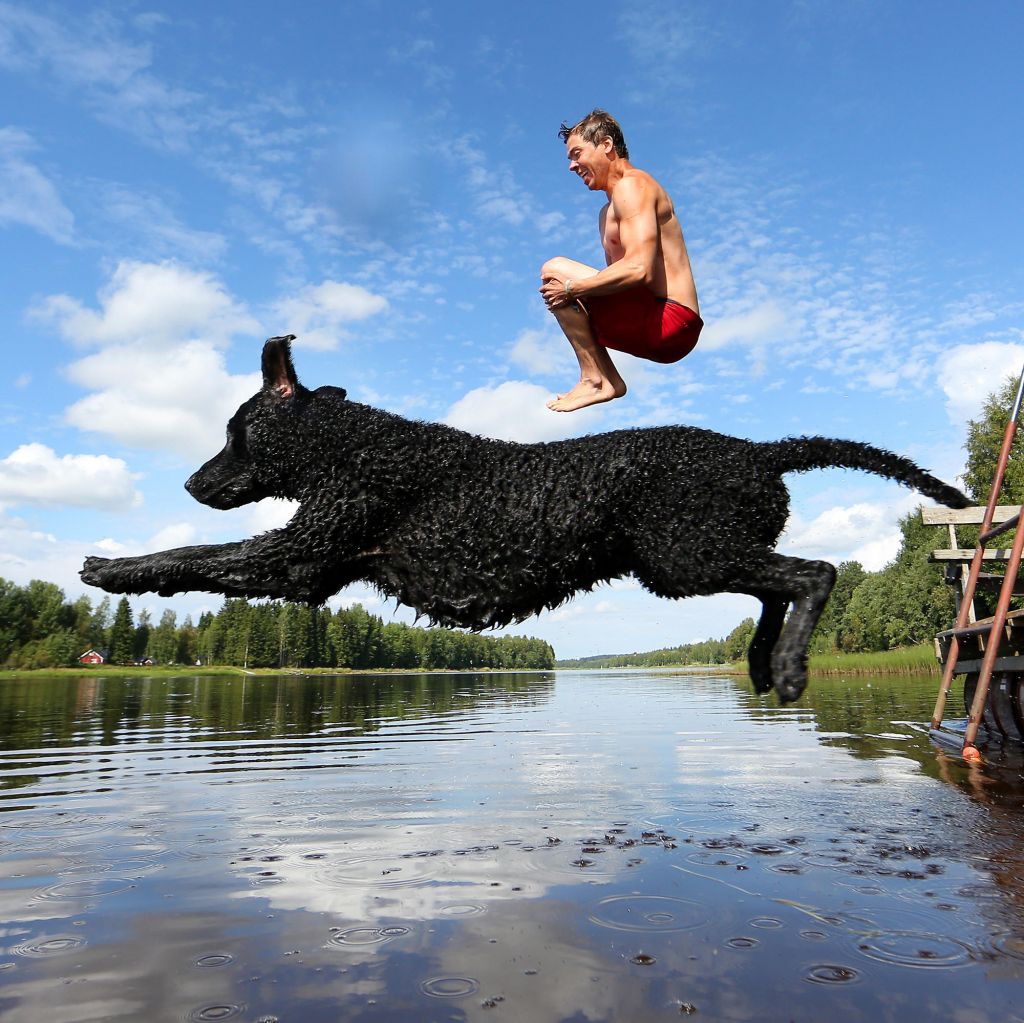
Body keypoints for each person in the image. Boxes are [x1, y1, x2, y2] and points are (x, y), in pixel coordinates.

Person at [540, 110, 701, 412]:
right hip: (648, 321)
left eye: (577, 154)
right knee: (560, 282)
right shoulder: (606, 211)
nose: (572, 166)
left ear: (606, 144)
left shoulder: (634, 186)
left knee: (555, 271)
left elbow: (639, 268)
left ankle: (594, 379)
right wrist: (576, 294)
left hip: (671, 319)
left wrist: (572, 289)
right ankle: (606, 379)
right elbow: (614, 284)